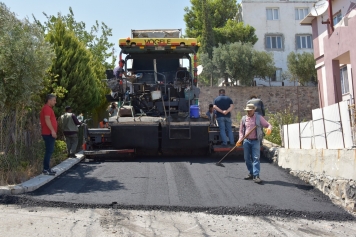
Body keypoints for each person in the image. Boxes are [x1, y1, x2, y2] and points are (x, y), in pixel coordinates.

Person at [237, 104, 272, 184]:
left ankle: (256, 175)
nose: (248, 112)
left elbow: (268, 125)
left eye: (250, 110)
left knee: (256, 158)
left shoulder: (259, 118)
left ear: (254, 110)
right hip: (246, 141)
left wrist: (269, 129)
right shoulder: (243, 119)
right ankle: (251, 173)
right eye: (247, 110)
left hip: (255, 141)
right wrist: (240, 140)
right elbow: (241, 130)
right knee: (246, 158)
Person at [40, 94, 57, 175]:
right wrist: (52, 131)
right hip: (48, 133)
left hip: (49, 133)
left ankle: (47, 168)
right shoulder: (47, 108)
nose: (55, 102)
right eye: (54, 100)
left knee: (49, 151)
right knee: (49, 151)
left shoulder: (49, 108)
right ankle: (46, 169)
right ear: (49, 100)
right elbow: (47, 120)